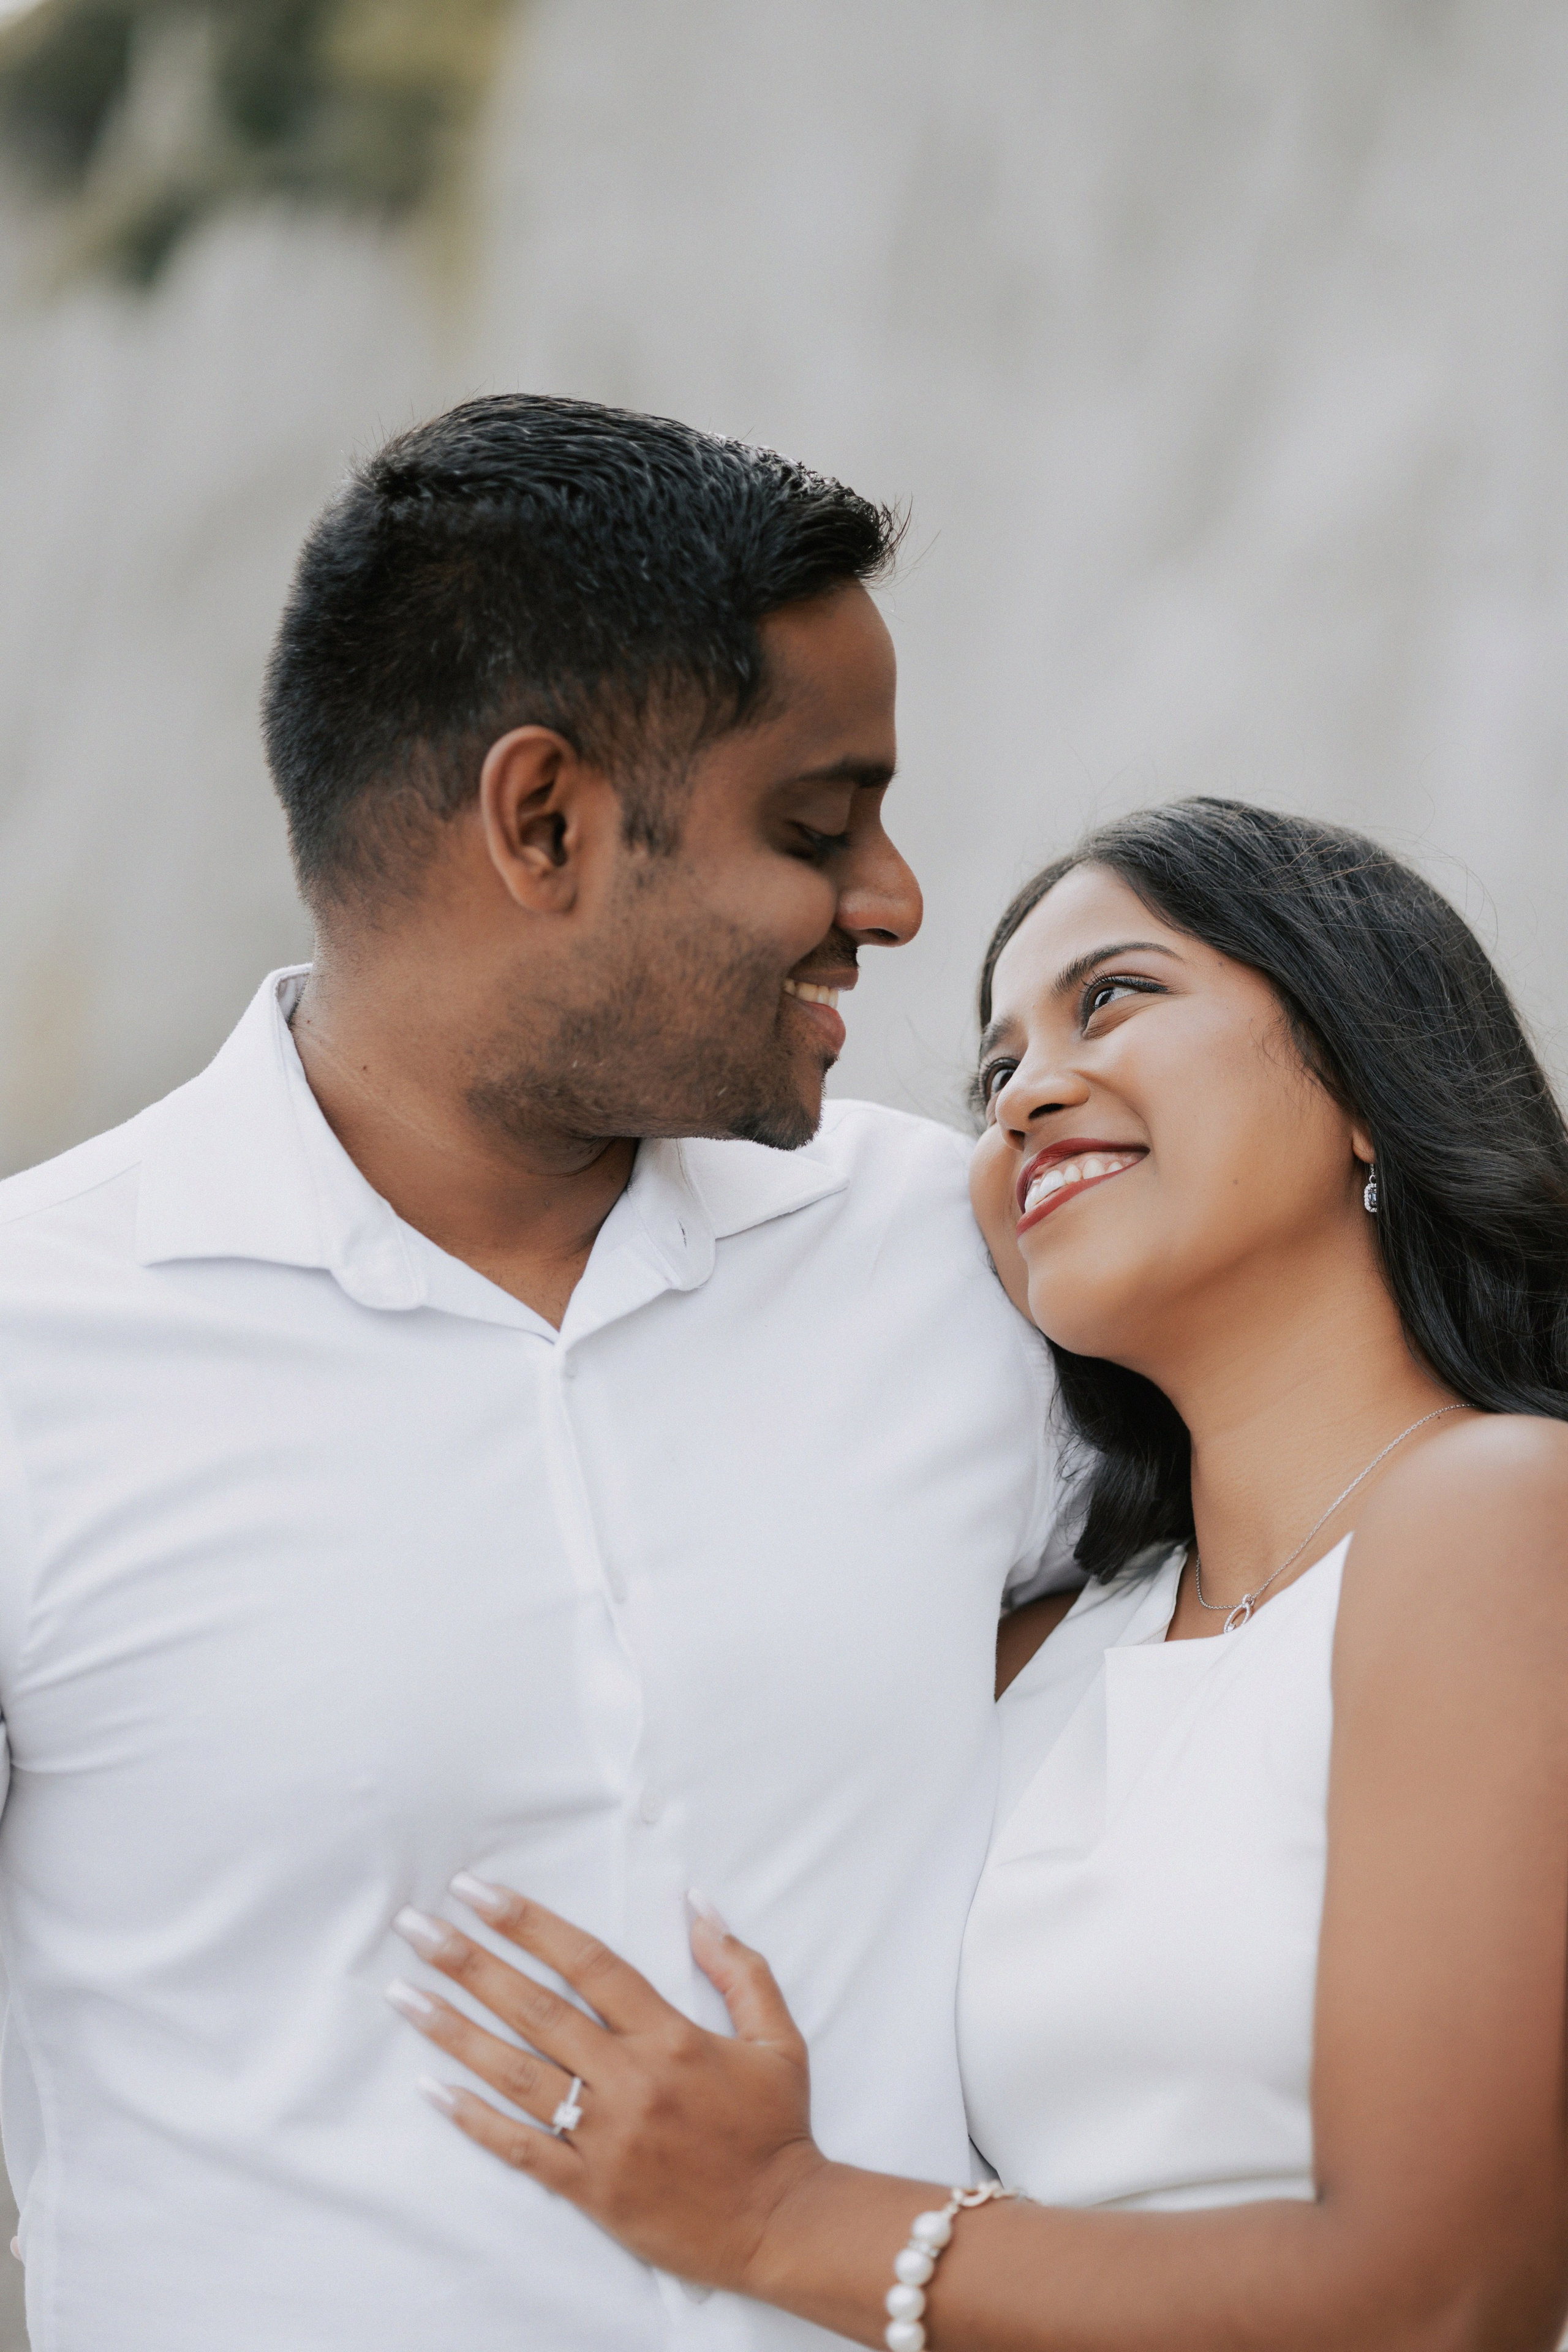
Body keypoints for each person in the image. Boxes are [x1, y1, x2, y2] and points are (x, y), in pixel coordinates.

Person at [0, 397, 1072, 2351]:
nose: (897, 901)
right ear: (545, 822)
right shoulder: (32, 1350)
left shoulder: (970, 1261)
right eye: (816, 827)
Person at [388, 801, 1568, 2352]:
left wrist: (781, 2218)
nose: (1023, 1097)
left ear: (1362, 1074)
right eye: (994, 1070)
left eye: (1113, 998)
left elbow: (1443, 2300)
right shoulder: (1050, 1650)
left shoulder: (1500, 1510)